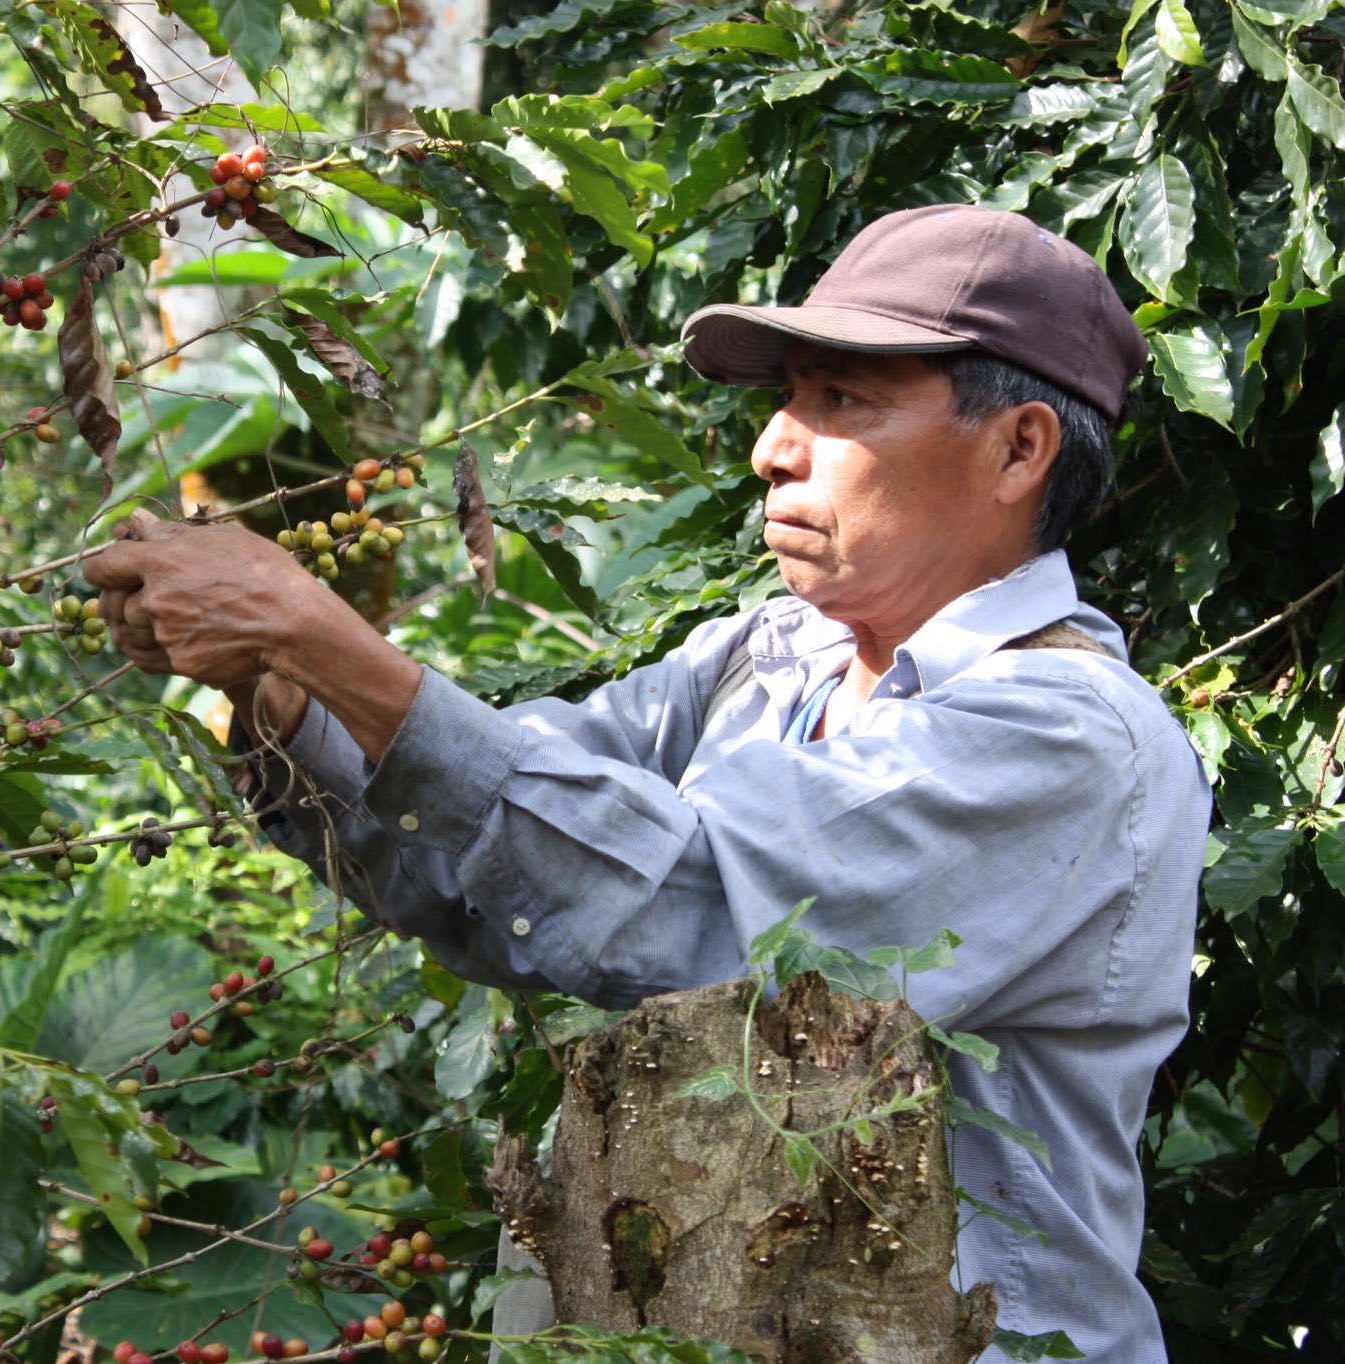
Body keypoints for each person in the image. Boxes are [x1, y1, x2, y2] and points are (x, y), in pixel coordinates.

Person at [84, 205, 1211, 1362]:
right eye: (787, 399)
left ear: (1018, 449)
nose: (774, 445)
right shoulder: (764, 659)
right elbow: (480, 857)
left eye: (841, 402)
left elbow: (694, 922)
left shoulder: (1074, 742)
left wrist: (324, 641)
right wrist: (278, 695)